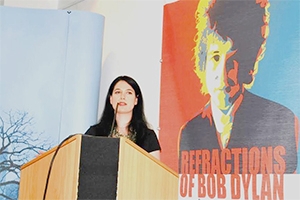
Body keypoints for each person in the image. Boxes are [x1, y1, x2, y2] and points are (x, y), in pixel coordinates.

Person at [179, 0, 299, 174]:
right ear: (202, 61)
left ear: (248, 65)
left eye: (233, 61)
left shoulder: (281, 120)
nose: (222, 75)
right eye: (215, 57)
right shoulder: (190, 132)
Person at [85, 75, 161, 159]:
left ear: (136, 100)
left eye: (129, 93)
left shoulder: (147, 136)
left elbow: (154, 170)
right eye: (118, 92)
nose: (122, 97)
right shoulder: (95, 133)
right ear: (110, 99)